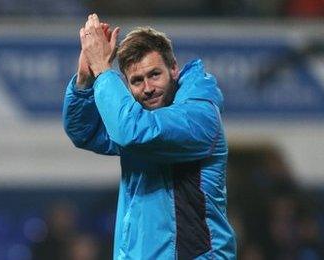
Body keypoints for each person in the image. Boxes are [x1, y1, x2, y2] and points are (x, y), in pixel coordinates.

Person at [62, 14, 236, 259]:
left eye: (154, 74)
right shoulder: (138, 117)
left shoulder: (200, 116)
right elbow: (84, 132)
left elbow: (135, 132)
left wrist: (102, 69)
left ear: (173, 68)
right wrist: (85, 79)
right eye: (136, 81)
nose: (147, 88)